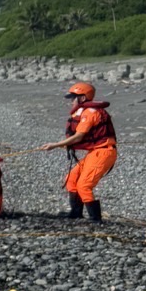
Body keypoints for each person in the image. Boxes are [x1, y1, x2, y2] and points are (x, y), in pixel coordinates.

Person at [39, 81, 117, 221]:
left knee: (84, 185)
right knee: (71, 179)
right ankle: (76, 213)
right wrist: (63, 145)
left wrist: (55, 145)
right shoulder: (85, 111)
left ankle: (95, 219)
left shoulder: (90, 113)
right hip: (94, 152)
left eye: (73, 98)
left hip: (103, 153)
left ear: (82, 98)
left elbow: (79, 136)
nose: (71, 102)